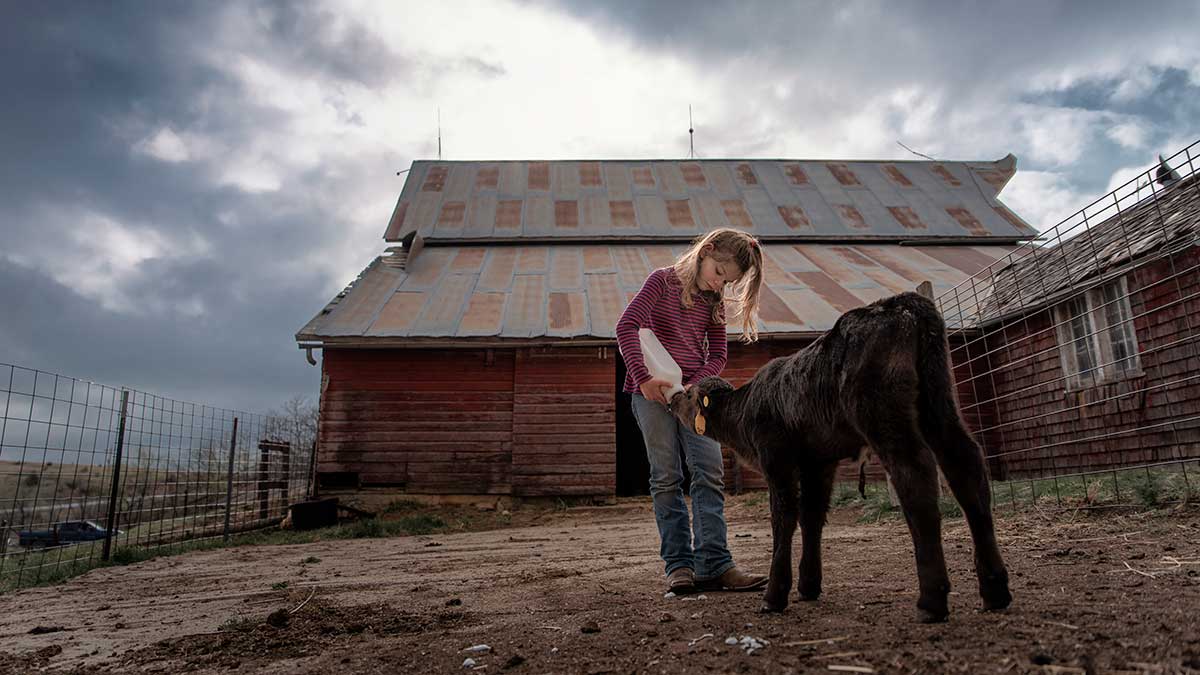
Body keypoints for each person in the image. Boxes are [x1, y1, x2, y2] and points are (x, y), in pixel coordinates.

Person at [616, 228, 767, 595]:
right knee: (666, 476)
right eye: (719, 272)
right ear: (706, 251)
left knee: (709, 469)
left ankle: (715, 564)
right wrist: (644, 378)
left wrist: (691, 387)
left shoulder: (714, 302)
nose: (720, 285)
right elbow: (626, 326)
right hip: (650, 394)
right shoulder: (661, 282)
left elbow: (718, 355)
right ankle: (679, 566)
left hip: (693, 399)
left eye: (727, 282)